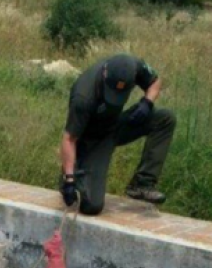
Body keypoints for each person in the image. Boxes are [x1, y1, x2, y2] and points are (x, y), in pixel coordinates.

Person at [59, 54, 176, 215]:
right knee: (91, 206)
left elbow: (155, 82)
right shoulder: (84, 96)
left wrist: (147, 103)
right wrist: (69, 180)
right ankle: (74, 176)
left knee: (164, 118)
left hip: (116, 126)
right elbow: (69, 139)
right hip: (92, 140)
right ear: (105, 74)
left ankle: (142, 184)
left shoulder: (135, 66)